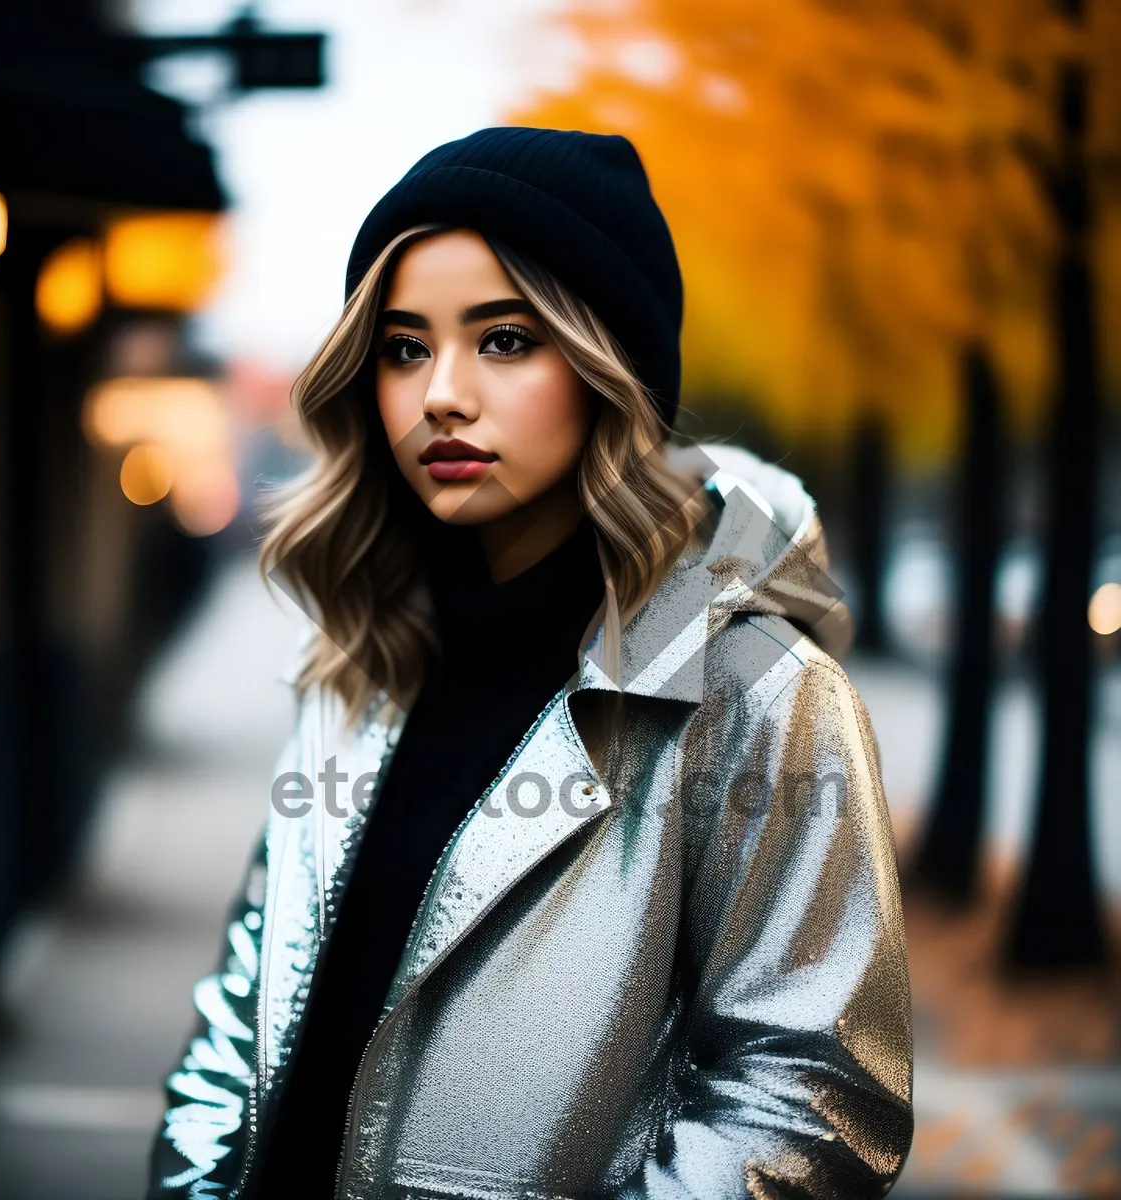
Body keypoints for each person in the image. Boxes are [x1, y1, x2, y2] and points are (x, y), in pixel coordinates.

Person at [146, 126, 913, 1200]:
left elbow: (810, 1098)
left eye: (503, 341)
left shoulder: (748, 689)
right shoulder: (362, 659)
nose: (440, 395)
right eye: (405, 346)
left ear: (610, 366)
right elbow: (242, 1016)